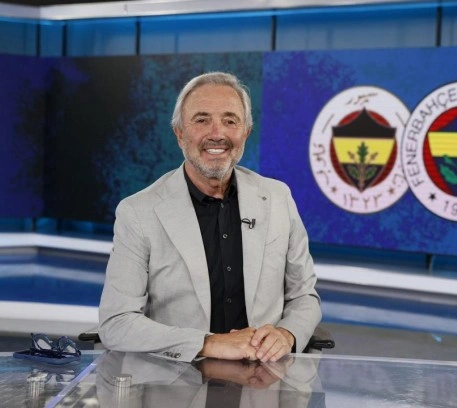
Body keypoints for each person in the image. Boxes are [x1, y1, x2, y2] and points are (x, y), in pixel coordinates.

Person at [98, 72, 321, 363]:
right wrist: (209, 344)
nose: (217, 134)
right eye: (202, 120)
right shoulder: (138, 213)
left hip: (265, 375)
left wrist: (287, 334)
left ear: (246, 132)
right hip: (176, 377)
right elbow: (117, 323)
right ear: (179, 133)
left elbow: (304, 296)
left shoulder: (278, 198)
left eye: (230, 121)